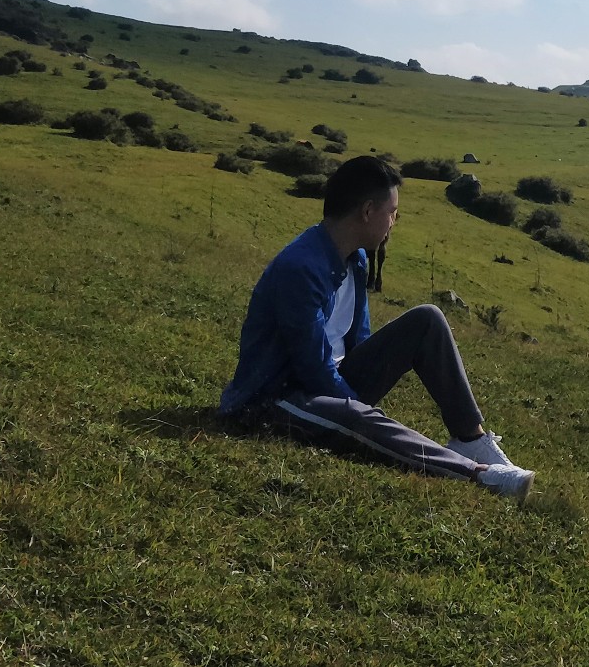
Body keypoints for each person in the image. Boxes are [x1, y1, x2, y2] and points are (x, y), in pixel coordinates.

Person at [218, 154, 534, 502]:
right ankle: (479, 474)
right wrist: (357, 407)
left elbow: (360, 343)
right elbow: (312, 369)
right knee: (356, 416)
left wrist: (359, 389)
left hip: (326, 384)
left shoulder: (355, 258)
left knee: (427, 319)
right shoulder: (300, 268)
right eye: (391, 211)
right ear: (368, 211)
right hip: (274, 399)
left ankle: (471, 440)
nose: (394, 221)